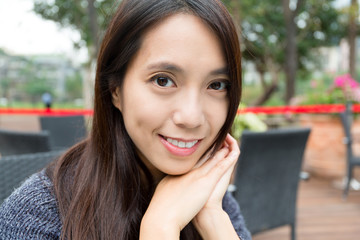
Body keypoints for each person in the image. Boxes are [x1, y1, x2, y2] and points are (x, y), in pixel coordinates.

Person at [0, 0, 251, 239]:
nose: (192, 117)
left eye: (217, 85)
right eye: (163, 80)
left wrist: (214, 220)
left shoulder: (212, 198)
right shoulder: (40, 217)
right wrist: (160, 227)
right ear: (115, 90)